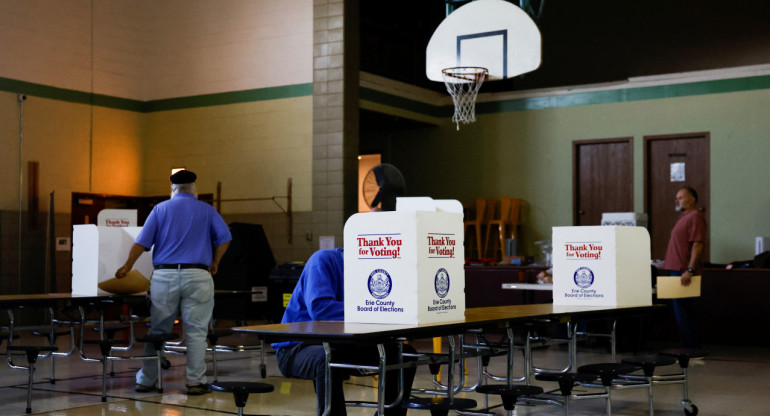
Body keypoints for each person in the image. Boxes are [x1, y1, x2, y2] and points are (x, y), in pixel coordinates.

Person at [115, 169, 232, 395]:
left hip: (165, 276)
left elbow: (141, 243)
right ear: (194, 188)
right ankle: (195, 382)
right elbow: (225, 238)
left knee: (157, 330)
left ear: (172, 189)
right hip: (198, 275)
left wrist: (127, 266)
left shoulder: (160, 209)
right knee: (196, 332)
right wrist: (216, 261)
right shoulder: (207, 210)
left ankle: (147, 380)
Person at [272, 248, 417, 416]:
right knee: (328, 360)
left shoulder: (370, 267)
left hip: (342, 345)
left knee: (404, 356)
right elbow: (320, 309)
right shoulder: (322, 261)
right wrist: (370, 309)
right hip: (296, 347)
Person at [663, 185, 706, 348]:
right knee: (680, 311)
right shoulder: (684, 217)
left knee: (683, 312)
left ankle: (690, 349)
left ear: (692, 199)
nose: (677, 200)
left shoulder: (695, 216)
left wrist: (690, 269)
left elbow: (697, 244)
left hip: (683, 272)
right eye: (677, 198)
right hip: (676, 270)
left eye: (681, 197)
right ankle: (686, 347)